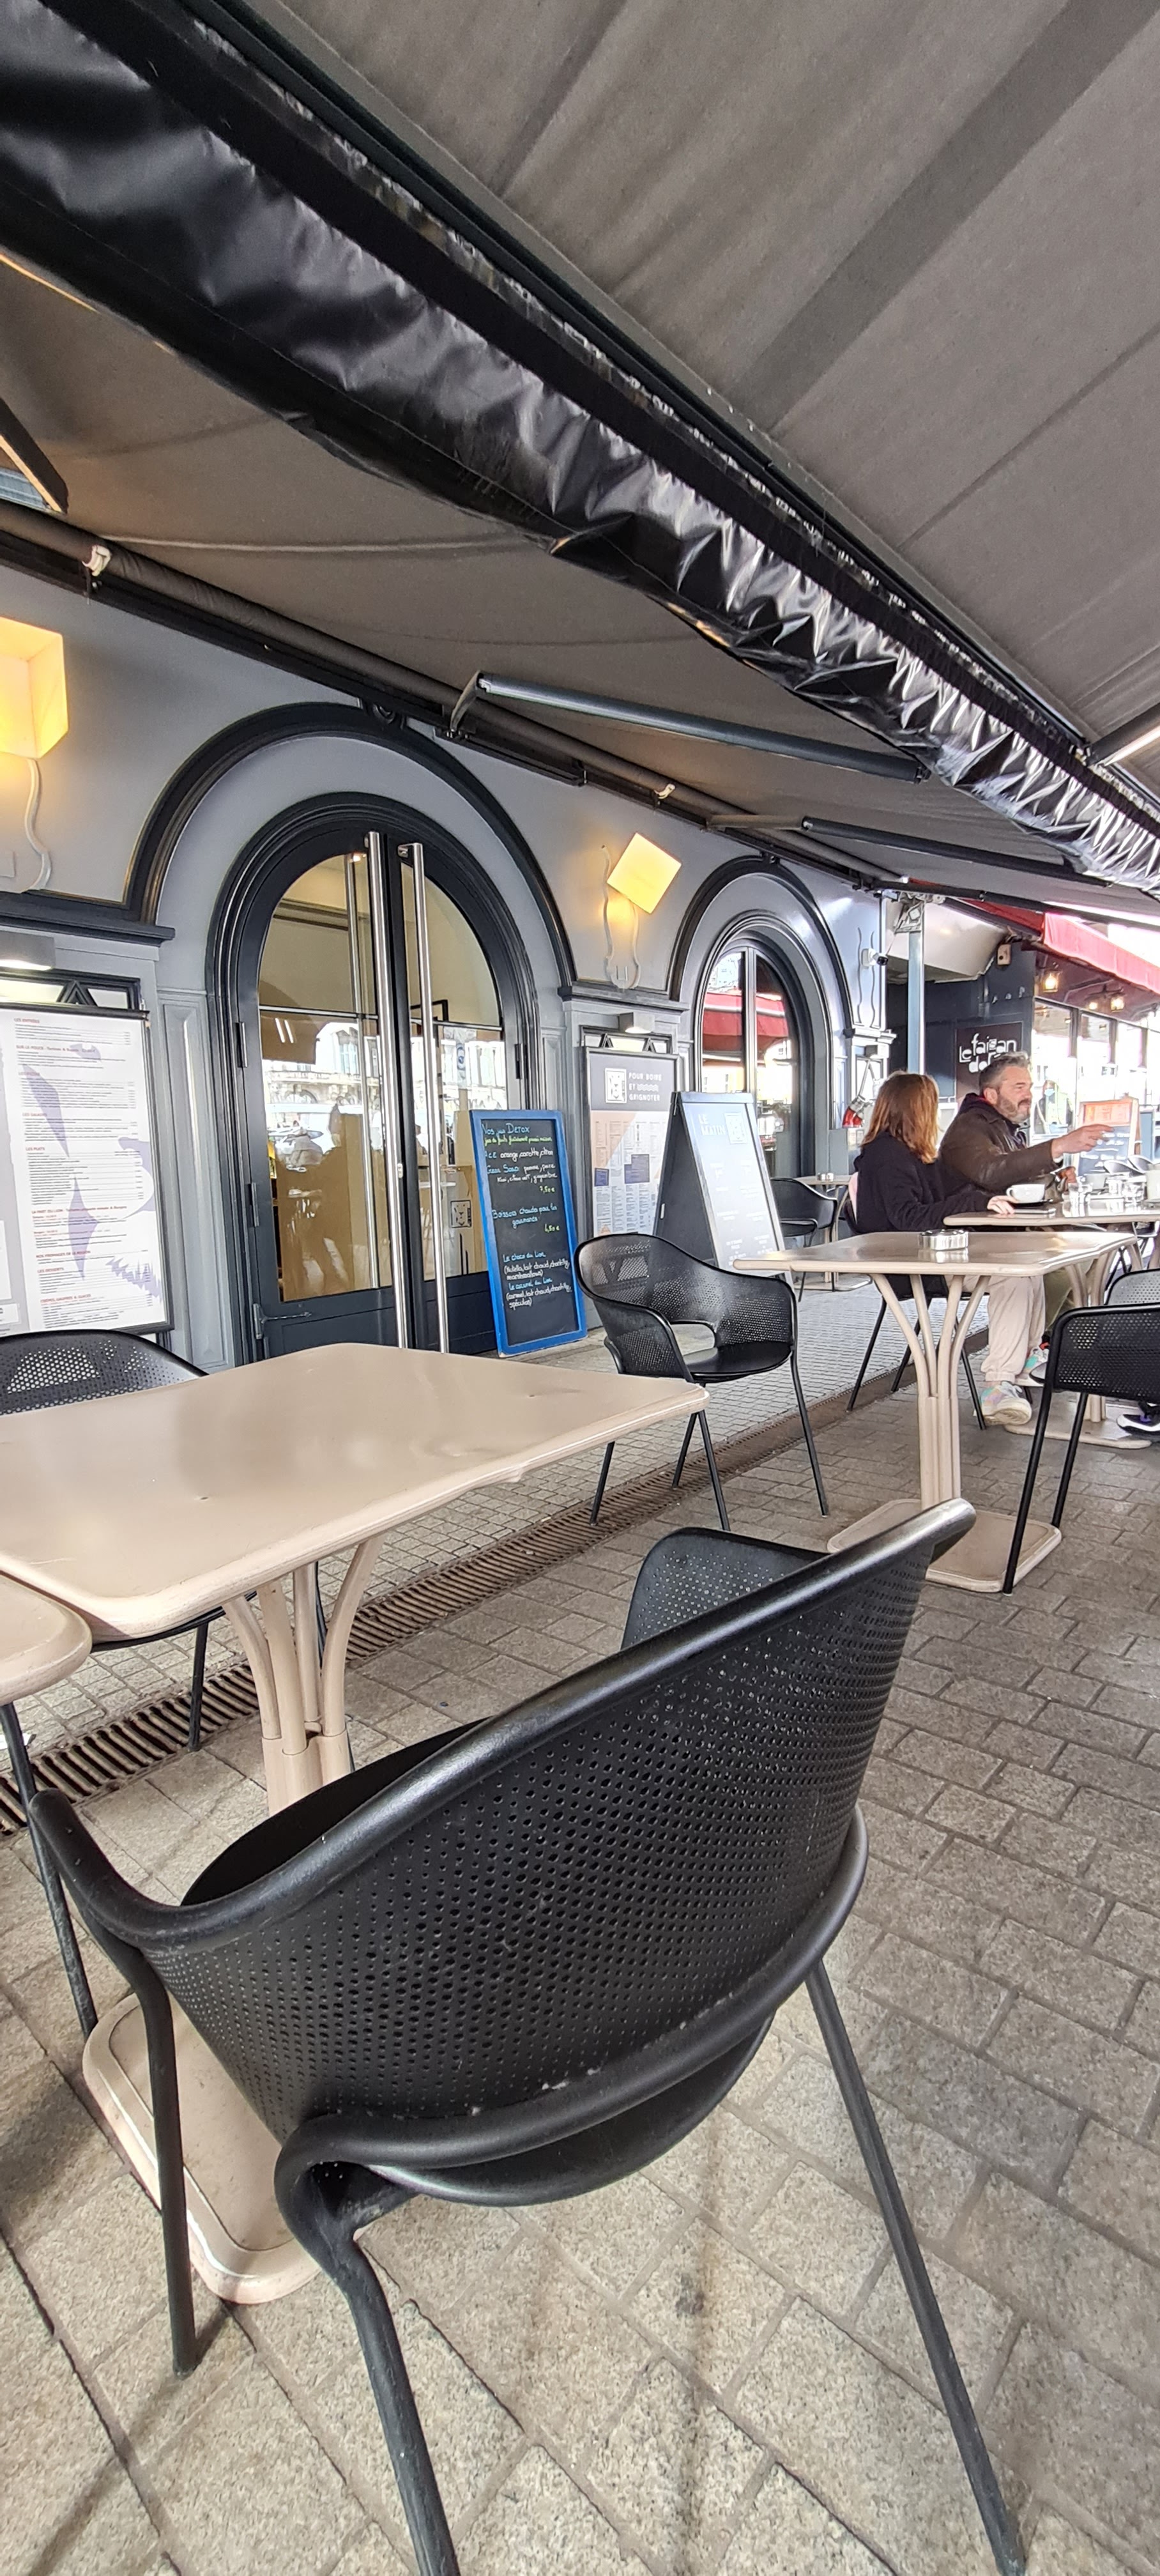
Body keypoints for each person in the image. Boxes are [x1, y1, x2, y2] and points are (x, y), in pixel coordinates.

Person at [855, 1070, 1042, 1428]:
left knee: (1026, 1269)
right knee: (1015, 1277)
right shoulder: (890, 1156)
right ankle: (1000, 1383)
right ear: (917, 1109)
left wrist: (985, 1196)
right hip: (911, 1264)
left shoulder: (907, 1154)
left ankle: (1024, 1362)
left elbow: (945, 1197)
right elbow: (909, 1217)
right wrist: (976, 1201)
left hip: (927, 1255)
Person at [942, 1052, 1110, 1193]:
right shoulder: (969, 1126)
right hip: (974, 1223)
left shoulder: (1009, 1129)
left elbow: (1016, 1181)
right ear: (991, 1095)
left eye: (1029, 1088)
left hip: (999, 1221)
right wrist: (1057, 1147)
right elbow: (990, 1172)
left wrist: (1058, 1182)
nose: (1028, 1095)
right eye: (1019, 1088)